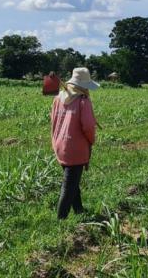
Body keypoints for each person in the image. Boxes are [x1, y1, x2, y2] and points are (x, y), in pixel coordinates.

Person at [50, 67, 99, 219]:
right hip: (75, 148)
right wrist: (91, 141)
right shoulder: (83, 101)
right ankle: (61, 220)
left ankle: (79, 210)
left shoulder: (58, 98)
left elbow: (53, 121)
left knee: (72, 181)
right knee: (69, 185)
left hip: (60, 145)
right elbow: (89, 127)